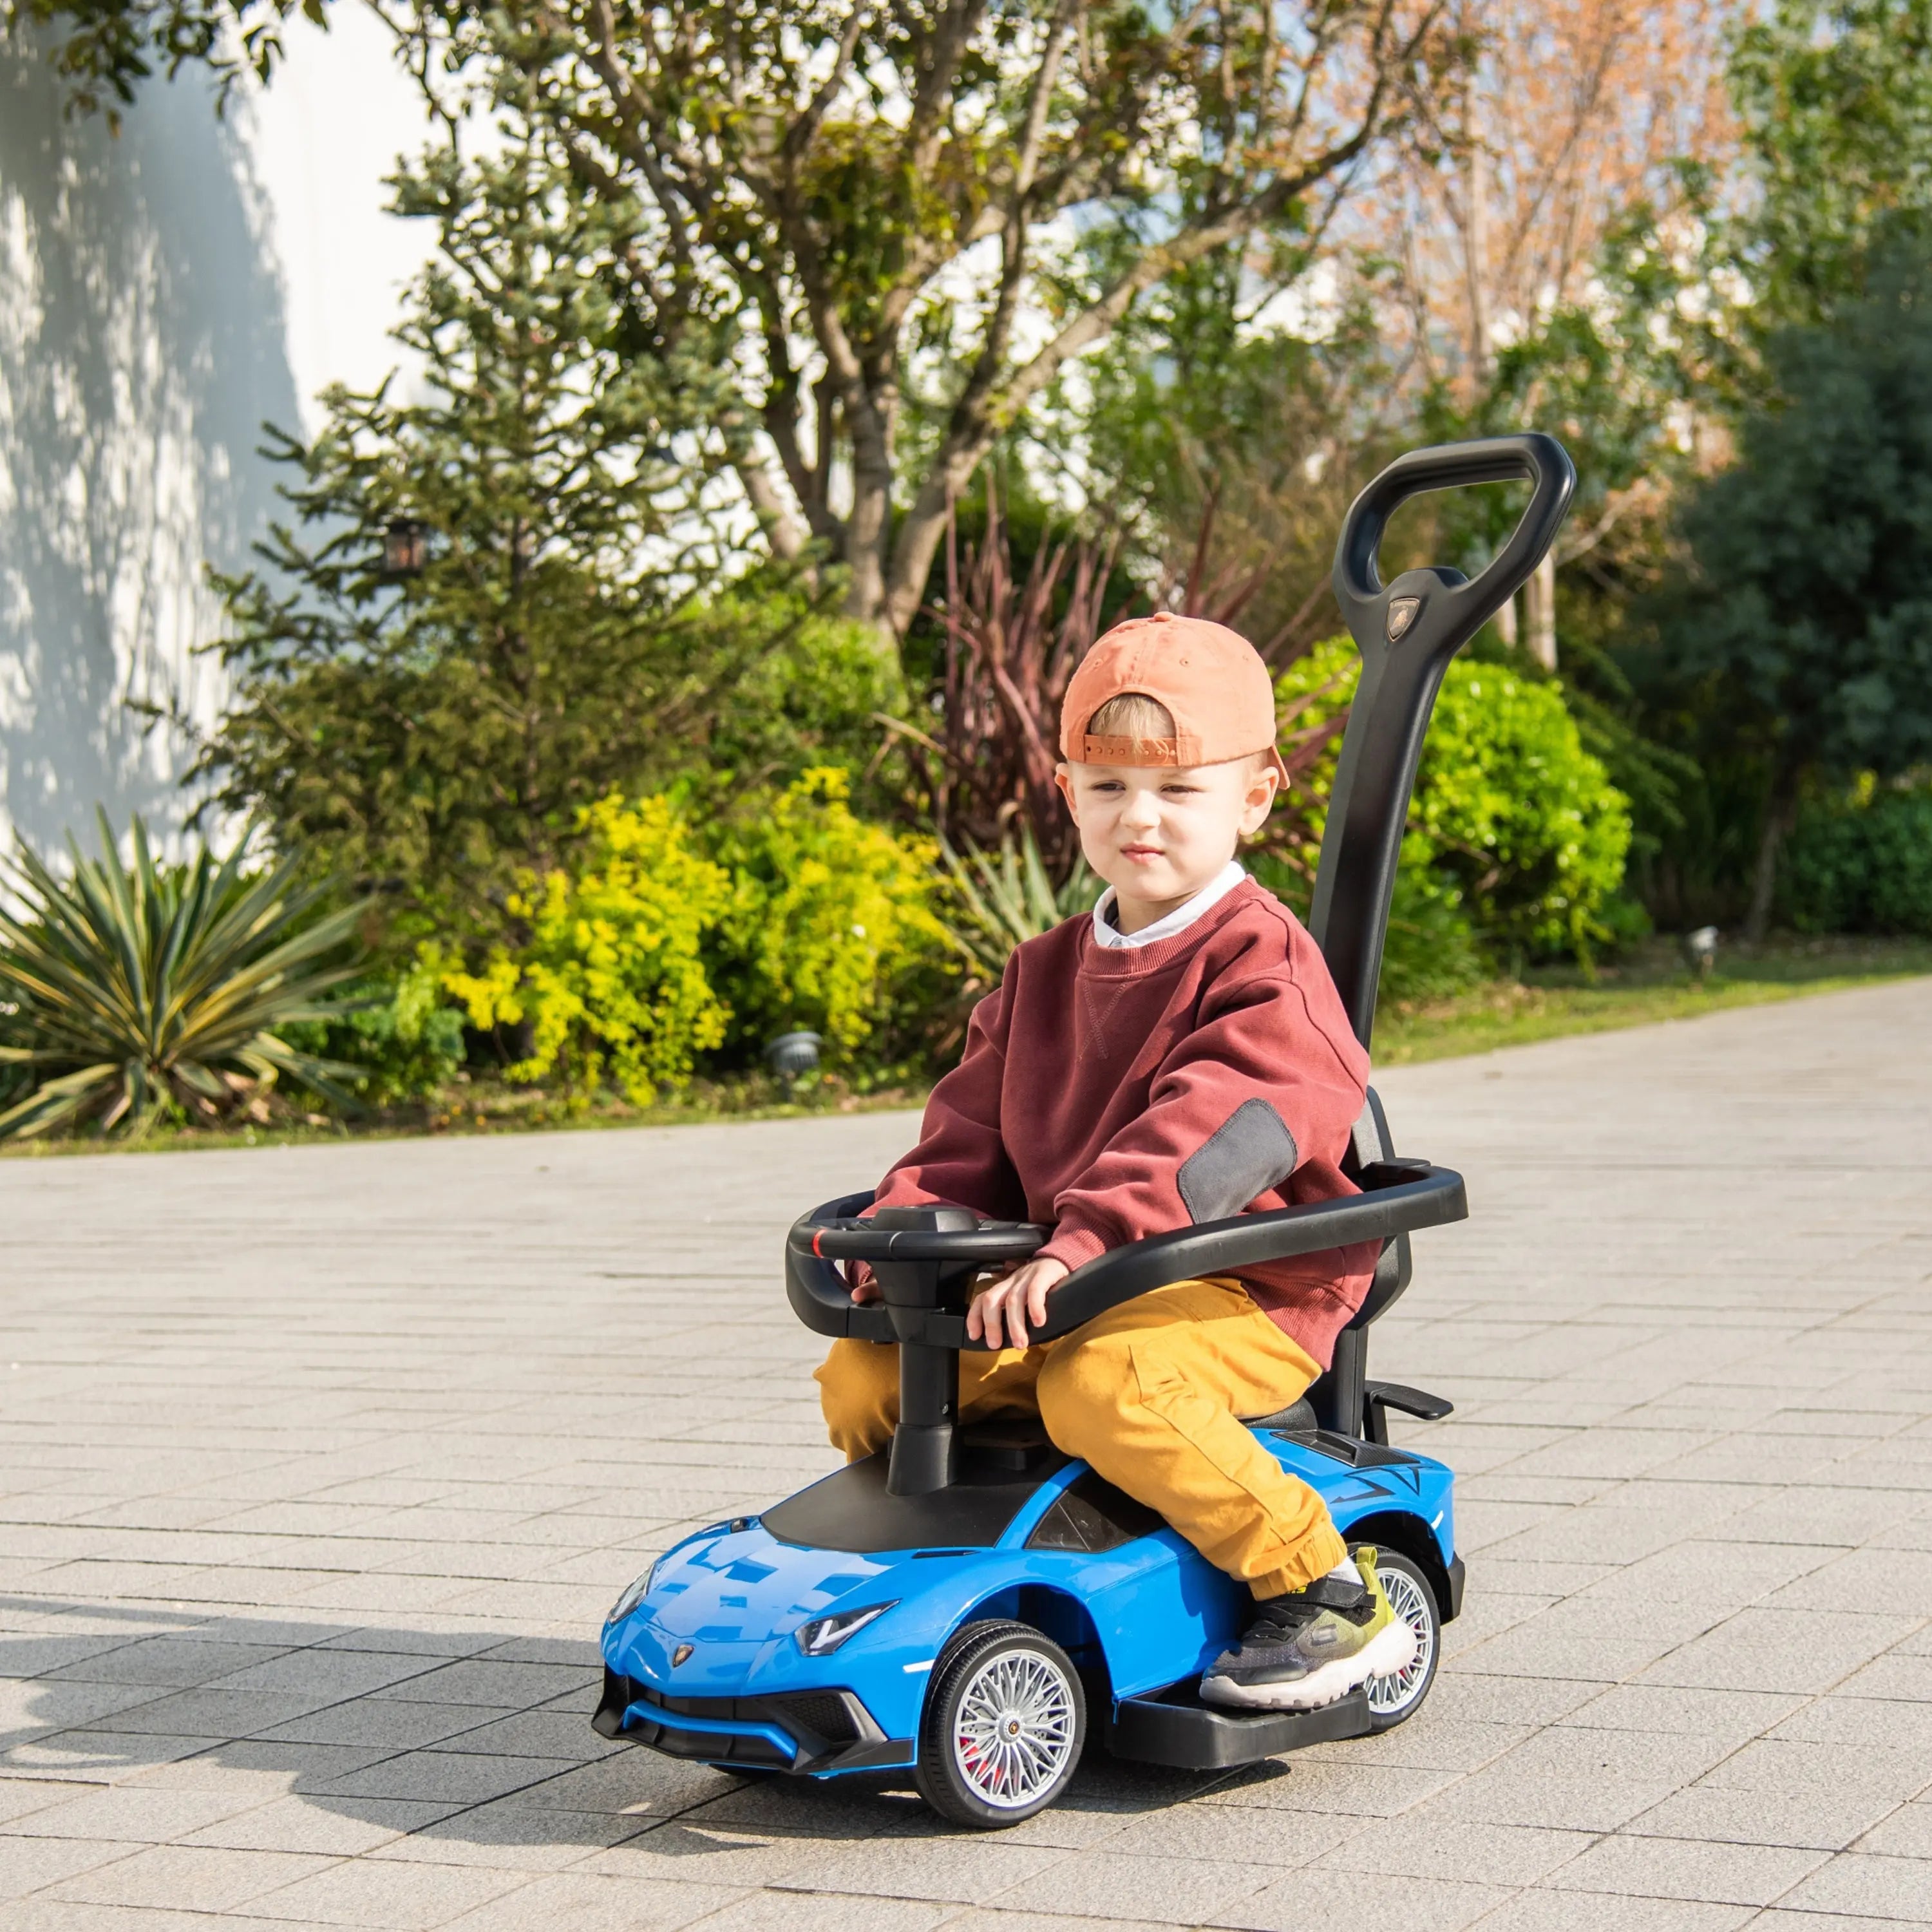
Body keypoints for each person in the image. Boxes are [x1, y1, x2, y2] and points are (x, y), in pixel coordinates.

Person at [814, 612, 1416, 1712]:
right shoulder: (1042, 971)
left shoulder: (1266, 965)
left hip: (1238, 1284)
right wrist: (893, 1252)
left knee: (1108, 1382)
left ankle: (1324, 1589)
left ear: (1257, 796)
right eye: (1107, 788)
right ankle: (999, 1557)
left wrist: (1088, 1242)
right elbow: (963, 1142)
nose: (1139, 817)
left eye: (1179, 790)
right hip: (1079, 1281)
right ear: (1066, 790)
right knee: (871, 1377)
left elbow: (1215, 1137)